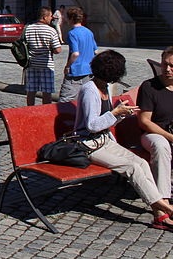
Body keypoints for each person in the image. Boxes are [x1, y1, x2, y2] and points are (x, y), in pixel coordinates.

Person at [74, 50, 173, 230]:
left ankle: (160, 214)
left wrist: (120, 115)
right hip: (89, 144)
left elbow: (106, 121)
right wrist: (115, 113)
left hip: (104, 141)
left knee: (141, 163)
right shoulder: (89, 90)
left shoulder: (103, 87)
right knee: (132, 167)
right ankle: (166, 210)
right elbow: (91, 126)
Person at [137, 47, 173, 210]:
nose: (167, 69)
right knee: (161, 145)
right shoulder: (149, 87)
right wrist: (170, 137)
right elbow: (144, 121)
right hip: (153, 133)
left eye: (172, 66)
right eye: (165, 64)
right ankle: (164, 200)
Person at [24, 6, 62, 105]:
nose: (52, 18)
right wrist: (51, 49)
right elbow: (58, 50)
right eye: (50, 16)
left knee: (31, 91)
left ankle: (30, 110)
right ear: (44, 17)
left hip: (32, 63)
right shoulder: (51, 30)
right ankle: (45, 112)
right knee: (47, 92)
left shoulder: (28, 28)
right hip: (46, 64)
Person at [59, 6, 97, 103]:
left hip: (75, 71)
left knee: (65, 100)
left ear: (71, 18)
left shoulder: (72, 33)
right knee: (85, 100)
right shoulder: (89, 32)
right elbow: (95, 51)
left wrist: (67, 66)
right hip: (88, 71)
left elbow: (75, 53)